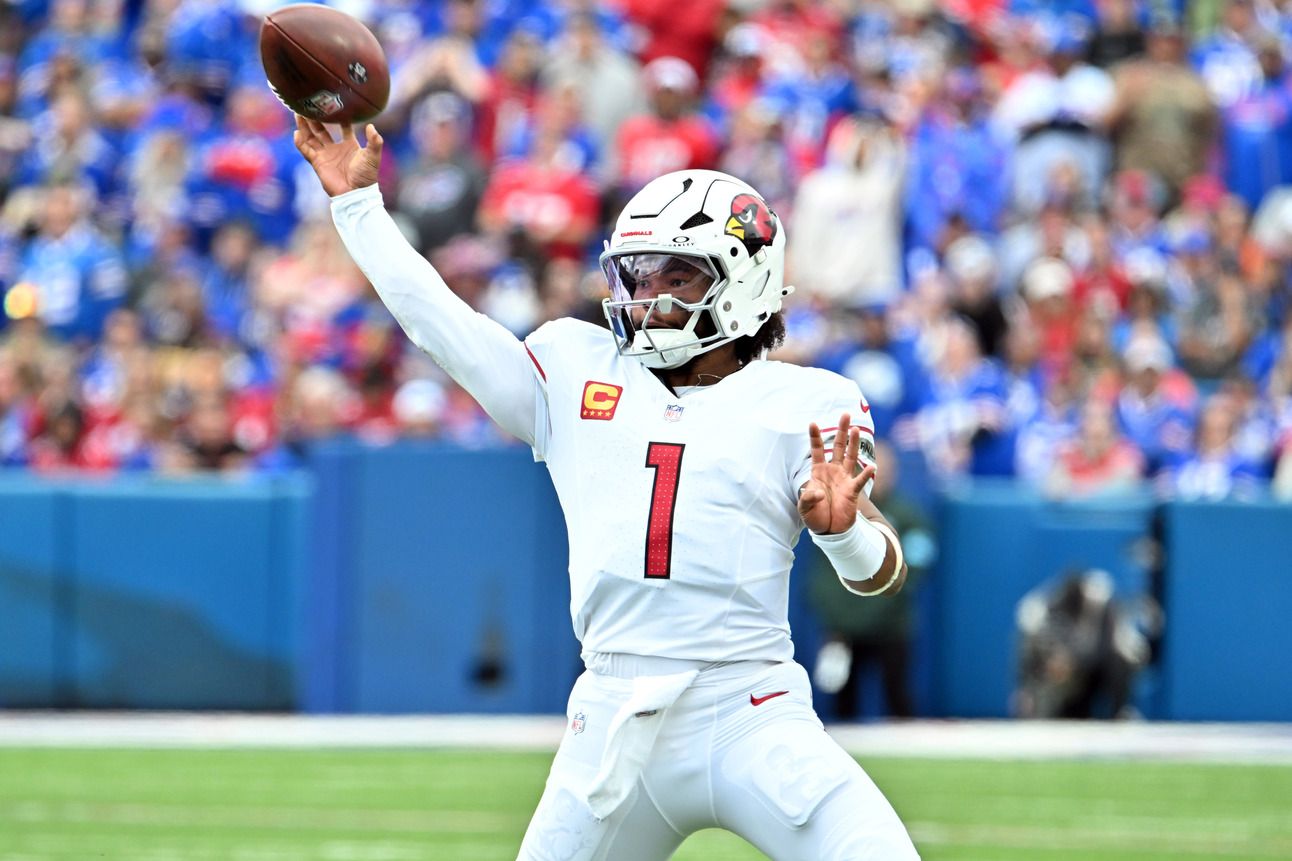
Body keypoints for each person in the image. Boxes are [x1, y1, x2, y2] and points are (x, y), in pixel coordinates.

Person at [293, 118, 919, 861]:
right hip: (614, 716)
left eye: (676, 277)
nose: (646, 296)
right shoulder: (576, 365)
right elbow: (442, 325)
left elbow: (878, 572)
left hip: (753, 711)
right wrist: (358, 207)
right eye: (638, 275)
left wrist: (843, 532)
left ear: (743, 282)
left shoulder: (805, 402)